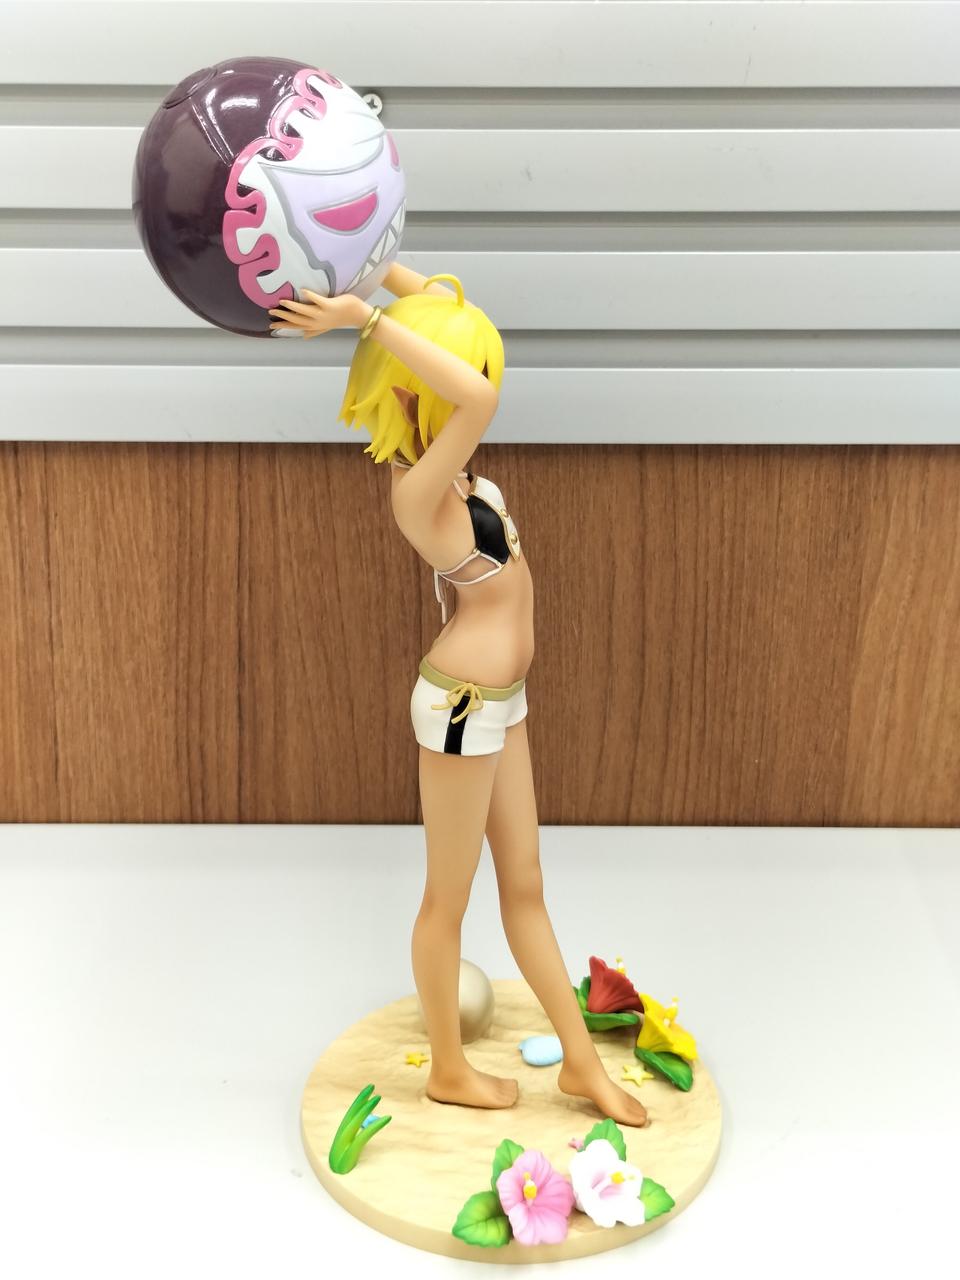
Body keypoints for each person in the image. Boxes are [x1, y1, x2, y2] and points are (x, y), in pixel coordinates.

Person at [268, 268, 649, 1127]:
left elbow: (444, 307)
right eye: (452, 373)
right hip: (463, 706)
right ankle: (447, 1068)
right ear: (412, 392)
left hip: (506, 697)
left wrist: (374, 268)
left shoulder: (464, 482)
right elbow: (474, 397)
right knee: (448, 899)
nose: (478, 388)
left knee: (527, 884)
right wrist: (365, 320)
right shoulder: (417, 494)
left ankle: (580, 1066)